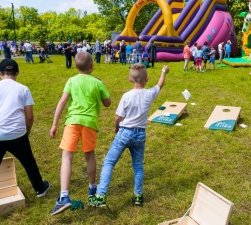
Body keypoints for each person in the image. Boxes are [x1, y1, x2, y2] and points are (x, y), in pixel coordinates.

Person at [88, 63, 169, 208]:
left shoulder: (126, 96)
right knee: (138, 166)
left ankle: (100, 196)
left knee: (109, 163)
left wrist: (116, 128)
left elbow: (118, 117)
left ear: (130, 79)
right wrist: (164, 71)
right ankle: (138, 196)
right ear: (147, 79)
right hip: (140, 135)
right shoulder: (150, 93)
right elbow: (160, 84)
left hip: (124, 133)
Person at [50, 52, 111, 216]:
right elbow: (108, 103)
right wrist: (100, 85)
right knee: (89, 155)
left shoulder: (71, 81)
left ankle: (64, 197)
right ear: (92, 66)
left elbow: (62, 101)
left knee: (67, 156)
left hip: (72, 122)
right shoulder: (97, 82)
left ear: (76, 66)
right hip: (90, 123)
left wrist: (55, 124)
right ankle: (92, 189)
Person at [0, 59, 50, 198]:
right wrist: (27, 132)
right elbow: (29, 117)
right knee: (28, 161)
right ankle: (40, 188)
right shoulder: (23, 89)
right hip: (18, 134)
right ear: (17, 73)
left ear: (0, 73)